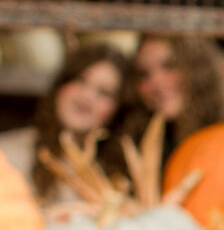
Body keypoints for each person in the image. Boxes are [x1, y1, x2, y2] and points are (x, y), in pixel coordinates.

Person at [0, 42, 128, 200]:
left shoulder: (113, 178)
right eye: (80, 80)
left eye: (104, 92)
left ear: (116, 110)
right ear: (60, 86)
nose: (87, 96)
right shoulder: (8, 154)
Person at [121, 33, 224, 158]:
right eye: (143, 74)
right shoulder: (137, 146)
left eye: (169, 65)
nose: (156, 82)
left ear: (196, 68)